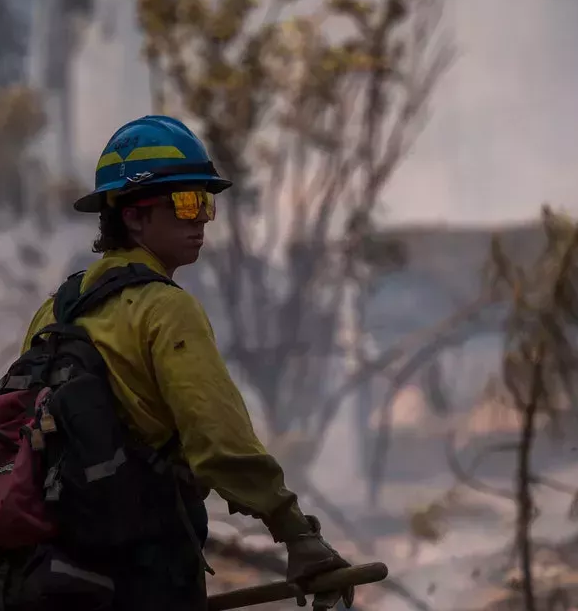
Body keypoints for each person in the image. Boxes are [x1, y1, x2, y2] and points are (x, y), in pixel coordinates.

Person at [23, 114, 354, 610]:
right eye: (184, 202)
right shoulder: (164, 307)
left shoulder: (55, 309)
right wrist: (296, 534)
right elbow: (218, 439)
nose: (200, 218)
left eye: (205, 203)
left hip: (44, 571)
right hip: (138, 567)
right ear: (133, 216)